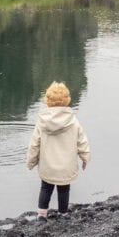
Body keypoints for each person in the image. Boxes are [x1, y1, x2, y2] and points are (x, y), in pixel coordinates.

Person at [26, 81, 90, 221]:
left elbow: (34, 144)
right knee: (64, 189)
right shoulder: (73, 121)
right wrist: (85, 157)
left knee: (46, 188)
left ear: (47, 101)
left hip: (47, 165)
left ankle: (42, 215)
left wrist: (31, 162)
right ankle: (63, 213)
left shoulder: (42, 122)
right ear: (67, 100)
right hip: (66, 166)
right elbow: (82, 141)